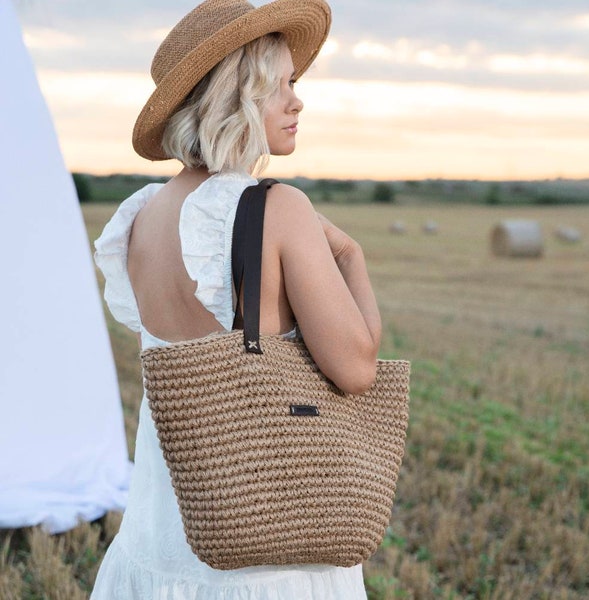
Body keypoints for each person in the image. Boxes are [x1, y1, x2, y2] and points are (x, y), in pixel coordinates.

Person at [92, 0, 381, 597]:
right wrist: (351, 256)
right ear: (234, 98)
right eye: (277, 86)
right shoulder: (278, 207)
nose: (296, 102)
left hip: (164, 535)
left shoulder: (140, 215)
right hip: (267, 556)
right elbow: (357, 368)